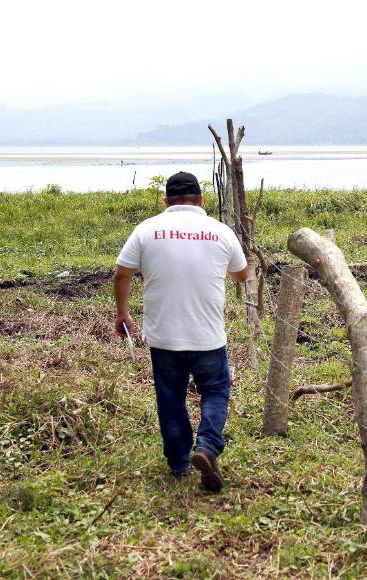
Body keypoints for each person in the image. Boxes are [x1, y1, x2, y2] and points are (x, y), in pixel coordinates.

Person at [113, 171, 249, 492]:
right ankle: (207, 445)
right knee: (215, 391)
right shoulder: (220, 231)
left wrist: (123, 314)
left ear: (166, 202)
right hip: (208, 336)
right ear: (201, 200)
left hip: (164, 337)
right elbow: (242, 275)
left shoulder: (147, 230)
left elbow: (122, 273)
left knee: (170, 399)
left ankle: (178, 464)